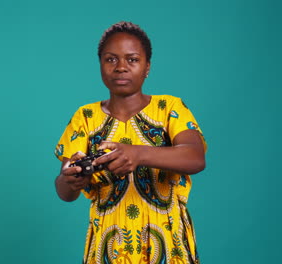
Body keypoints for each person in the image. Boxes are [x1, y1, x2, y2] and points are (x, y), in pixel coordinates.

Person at [54, 21, 206, 264]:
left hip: (168, 243)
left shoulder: (170, 108)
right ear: (100, 64)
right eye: (111, 59)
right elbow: (65, 191)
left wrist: (139, 154)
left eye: (132, 59)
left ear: (147, 66)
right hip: (108, 244)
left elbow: (196, 157)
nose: (121, 67)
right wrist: (70, 180)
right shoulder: (84, 117)